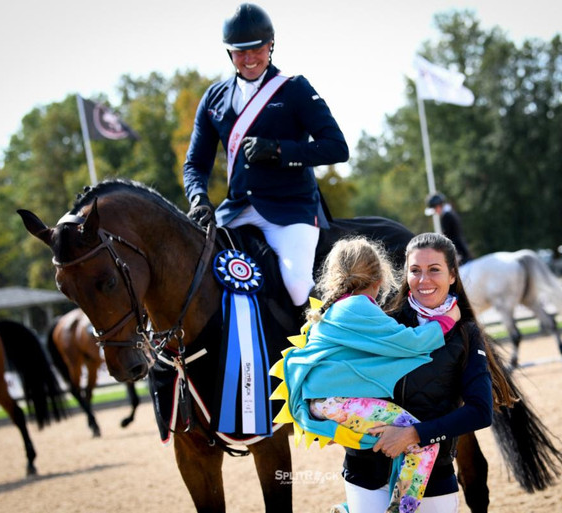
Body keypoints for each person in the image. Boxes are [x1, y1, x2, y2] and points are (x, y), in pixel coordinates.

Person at [272, 237, 460, 513]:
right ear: (379, 277)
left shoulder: (340, 307)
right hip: (337, 403)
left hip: (329, 402)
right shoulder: (358, 307)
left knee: (396, 443)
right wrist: (447, 320)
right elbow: (410, 342)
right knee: (419, 441)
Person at [182, 3, 349, 307]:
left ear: (270, 45)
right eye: (239, 52)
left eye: (256, 50)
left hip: (290, 210)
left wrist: (280, 151)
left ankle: (322, 351)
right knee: (192, 270)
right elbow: (195, 163)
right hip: (235, 210)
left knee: (298, 285)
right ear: (229, 53)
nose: (248, 59)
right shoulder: (214, 98)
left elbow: (337, 147)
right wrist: (198, 199)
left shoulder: (294, 89)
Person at [338, 232, 516, 513]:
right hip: (368, 473)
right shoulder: (382, 321)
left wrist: (413, 434)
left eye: (434, 270)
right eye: (415, 271)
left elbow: (480, 411)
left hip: (434, 476)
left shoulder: (467, 334)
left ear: (453, 275)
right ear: (405, 274)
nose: (424, 280)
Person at [425, 193, 472, 264]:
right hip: (460, 250)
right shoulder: (449, 213)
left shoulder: (446, 217)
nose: (435, 212)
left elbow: (448, 238)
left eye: (434, 209)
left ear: (438, 206)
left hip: (459, 253)